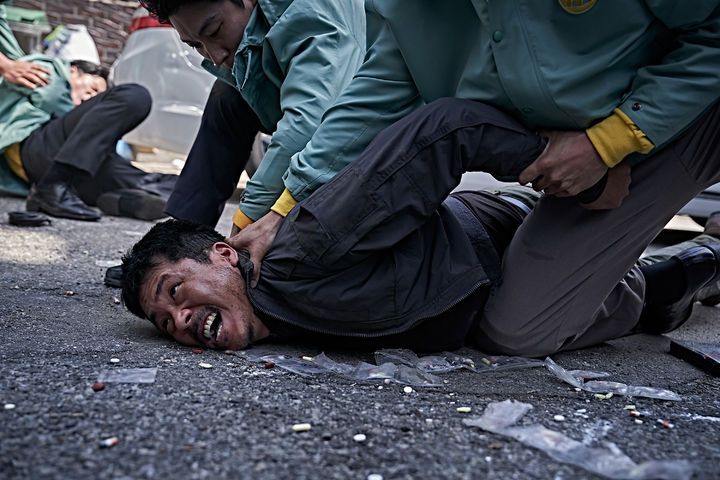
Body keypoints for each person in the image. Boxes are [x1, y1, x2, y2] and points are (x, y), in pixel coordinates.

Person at [224, 1, 720, 354]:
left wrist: (608, 142)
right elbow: (371, 102)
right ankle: (666, 283)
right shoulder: (406, 10)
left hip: (687, 116)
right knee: (516, 331)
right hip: (578, 155)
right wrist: (280, 210)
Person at [120, 101, 720, 354]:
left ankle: (685, 268)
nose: (178, 321)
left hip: (496, 250)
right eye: (162, 320)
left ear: (225, 255)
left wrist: (580, 173)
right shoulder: (266, 305)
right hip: (467, 289)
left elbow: (443, 132)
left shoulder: (304, 248)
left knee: (534, 328)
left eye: (174, 292)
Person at [139, 0, 366, 230]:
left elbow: (306, 123)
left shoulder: (312, 12)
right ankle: (184, 236)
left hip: (379, 132)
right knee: (226, 95)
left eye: (214, 31)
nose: (214, 56)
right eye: (196, 45)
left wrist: (246, 219)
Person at [0, 3, 174, 221]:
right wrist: (4, 64)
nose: (90, 99)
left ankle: (116, 199)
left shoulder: (81, 131)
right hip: (35, 150)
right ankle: (54, 187)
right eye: (92, 89)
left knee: (167, 186)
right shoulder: (49, 72)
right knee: (135, 96)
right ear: (73, 70)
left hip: (63, 168)